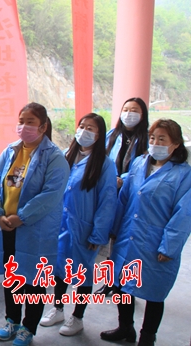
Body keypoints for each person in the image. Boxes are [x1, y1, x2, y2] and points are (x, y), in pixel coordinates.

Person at [100, 119, 191, 346]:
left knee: (154, 292)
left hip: (155, 242)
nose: (155, 143)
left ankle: (147, 337)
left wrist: (169, 247)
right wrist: (114, 230)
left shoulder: (184, 175)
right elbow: (124, 199)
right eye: (152, 138)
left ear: (176, 144)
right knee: (121, 285)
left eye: (162, 139)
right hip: (127, 236)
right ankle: (125, 328)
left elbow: (184, 214)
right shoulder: (139, 163)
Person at [0, 102, 70, 346]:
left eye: (30, 122)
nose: (23, 127)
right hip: (7, 227)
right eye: (21, 121)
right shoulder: (10, 151)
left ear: (43, 127)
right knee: (12, 277)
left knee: (35, 281)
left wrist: (21, 216)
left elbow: (51, 195)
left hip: (35, 230)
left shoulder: (54, 157)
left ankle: (28, 328)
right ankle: (12, 320)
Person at [39, 113, 117, 336]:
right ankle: (58, 309)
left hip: (84, 228)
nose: (84, 131)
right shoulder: (65, 155)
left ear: (99, 135)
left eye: (90, 128)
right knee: (59, 269)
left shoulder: (105, 165)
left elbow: (107, 202)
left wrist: (98, 234)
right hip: (59, 225)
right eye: (82, 126)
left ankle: (78, 317)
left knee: (82, 273)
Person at [96, 97, 149, 296]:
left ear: (142, 115)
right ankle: (109, 281)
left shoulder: (147, 138)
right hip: (110, 192)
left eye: (134, 110)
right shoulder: (112, 135)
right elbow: (100, 160)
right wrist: (110, 178)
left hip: (131, 194)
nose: (129, 114)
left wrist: (123, 179)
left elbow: (145, 168)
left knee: (125, 239)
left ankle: (124, 283)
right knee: (110, 237)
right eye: (126, 109)